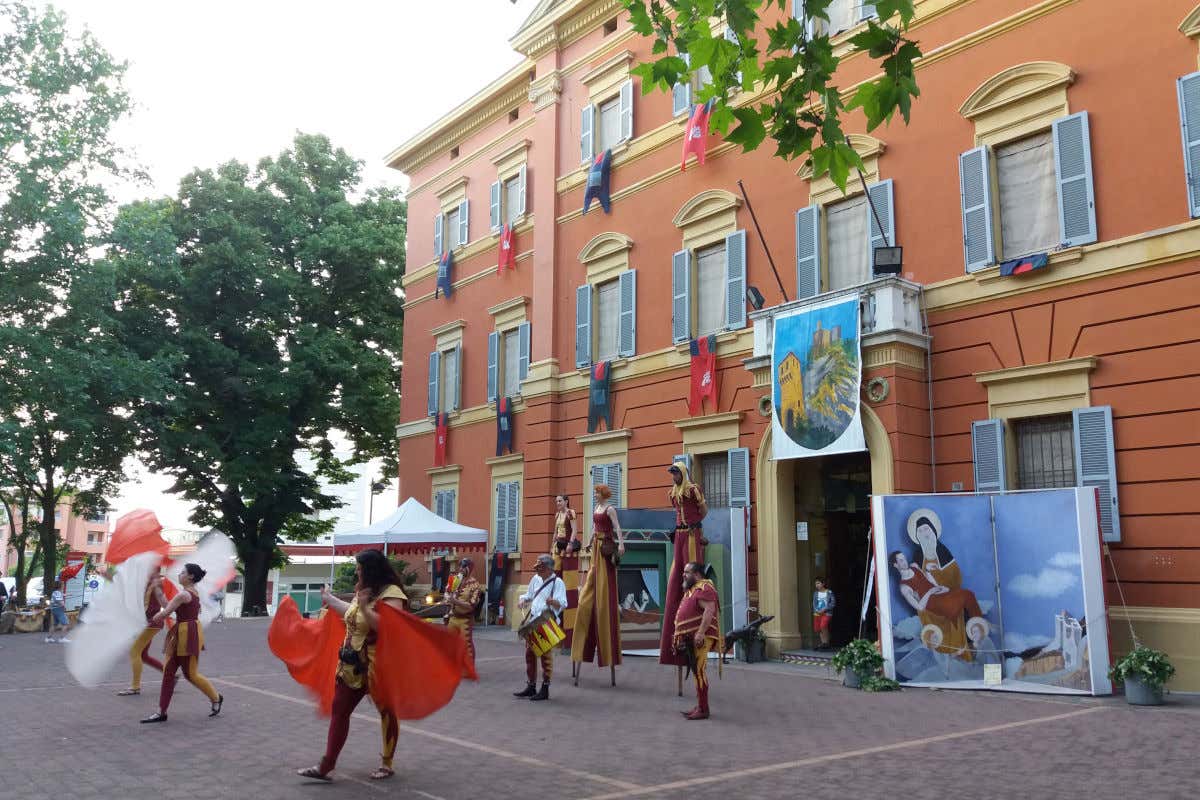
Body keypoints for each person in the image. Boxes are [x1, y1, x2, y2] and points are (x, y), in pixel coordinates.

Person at [297, 549, 407, 782]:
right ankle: (326, 766)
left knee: (387, 712)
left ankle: (387, 764)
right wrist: (329, 599)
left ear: (371, 570)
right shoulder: (364, 589)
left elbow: (389, 626)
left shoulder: (391, 593)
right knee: (340, 710)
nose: (357, 572)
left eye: (360, 569)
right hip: (351, 663)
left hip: (379, 664)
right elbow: (351, 613)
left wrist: (366, 607)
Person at [140, 563, 223, 723]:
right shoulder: (188, 593)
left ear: (190, 576)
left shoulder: (185, 594)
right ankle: (161, 711)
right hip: (184, 632)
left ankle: (216, 697)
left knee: (190, 674)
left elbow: (165, 611)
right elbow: (168, 606)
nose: (179, 574)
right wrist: (158, 589)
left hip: (188, 634)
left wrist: (155, 617)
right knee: (169, 672)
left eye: (183, 572)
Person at [890, 551, 989, 658]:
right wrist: (931, 592)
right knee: (962, 600)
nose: (904, 561)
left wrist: (939, 586)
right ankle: (973, 637)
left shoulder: (914, 567)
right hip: (932, 603)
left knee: (969, 594)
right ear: (895, 565)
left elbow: (927, 581)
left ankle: (978, 630)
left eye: (904, 558)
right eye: (900, 560)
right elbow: (920, 607)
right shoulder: (904, 587)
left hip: (939, 594)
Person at [570, 483, 625, 676]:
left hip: (605, 549)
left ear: (603, 494)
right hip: (595, 547)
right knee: (591, 579)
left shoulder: (610, 509)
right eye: (594, 492)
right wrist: (588, 541)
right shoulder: (596, 508)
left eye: (596, 492)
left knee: (602, 581)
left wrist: (621, 545)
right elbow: (595, 527)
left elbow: (617, 527)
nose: (594, 495)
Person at [660, 460, 707, 666]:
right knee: (677, 572)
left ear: (683, 473)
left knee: (692, 568)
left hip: (690, 533)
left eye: (676, 473)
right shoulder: (672, 492)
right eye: (672, 473)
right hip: (679, 534)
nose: (673, 476)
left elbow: (704, 510)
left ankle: (695, 600)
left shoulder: (693, 489)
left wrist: (695, 525)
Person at [514, 554, 567, 701]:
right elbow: (529, 595)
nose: (538, 571)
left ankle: (545, 688)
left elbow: (563, 603)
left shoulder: (558, 583)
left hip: (546, 621)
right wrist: (523, 600)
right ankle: (531, 686)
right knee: (529, 654)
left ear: (549, 569)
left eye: (541, 569)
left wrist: (553, 601)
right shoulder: (536, 579)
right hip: (534, 620)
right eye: (538, 568)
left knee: (545, 657)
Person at [672, 562, 721, 720]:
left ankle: (703, 709)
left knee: (699, 671)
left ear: (698, 574)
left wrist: (700, 633)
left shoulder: (704, 588)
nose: (683, 575)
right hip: (691, 638)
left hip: (700, 637)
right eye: (684, 572)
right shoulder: (692, 590)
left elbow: (709, 610)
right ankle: (700, 705)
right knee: (696, 672)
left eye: (687, 572)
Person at [117, 573, 167, 696]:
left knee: (135, 651)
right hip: (147, 622)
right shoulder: (145, 582)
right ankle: (171, 675)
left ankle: (135, 687)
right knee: (143, 655)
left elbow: (163, 603)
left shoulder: (156, 583)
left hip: (151, 622)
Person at [444, 557, 483, 670]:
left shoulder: (475, 585)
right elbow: (446, 592)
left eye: (464, 566)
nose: (461, 569)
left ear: (469, 568)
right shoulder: (454, 579)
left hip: (465, 619)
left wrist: (455, 601)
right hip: (453, 617)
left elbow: (471, 605)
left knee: (466, 644)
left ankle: (468, 668)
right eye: (460, 566)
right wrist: (448, 597)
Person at [552, 493, 581, 572]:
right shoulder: (557, 514)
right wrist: (552, 546)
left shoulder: (570, 513)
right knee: (556, 569)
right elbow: (555, 532)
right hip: (558, 544)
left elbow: (574, 530)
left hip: (568, 544)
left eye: (560, 501)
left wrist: (570, 544)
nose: (558, 503)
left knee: (568, 570)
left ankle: (568, 585)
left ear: (566, 502)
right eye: (557, 501)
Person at [812, 578, 835, 651]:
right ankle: (823, 643)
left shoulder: (829, 592)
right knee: (818, 629)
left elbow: (833, 603)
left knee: (823, 625)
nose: (817, 585)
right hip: (817, 613)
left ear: (823, 584)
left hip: (826, 613)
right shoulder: (816, 593)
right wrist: (816, 610)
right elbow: (814, 603)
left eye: (818, 583)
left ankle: (826, 642)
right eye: (816, 584)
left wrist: (824, 609)